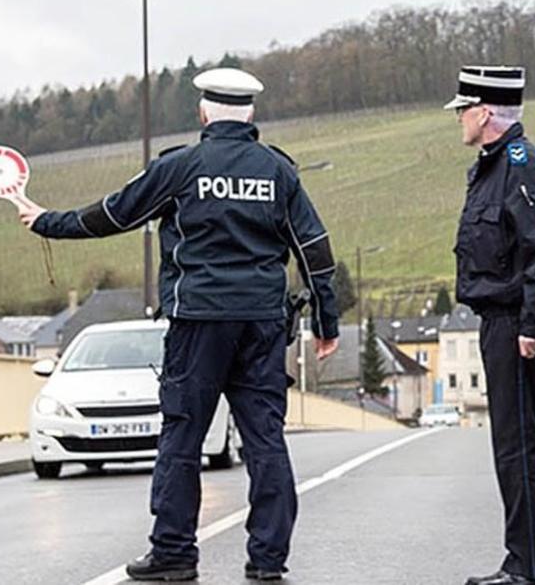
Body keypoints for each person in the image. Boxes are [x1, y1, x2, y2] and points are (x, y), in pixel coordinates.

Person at [19, 67, 340, 582]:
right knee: (265, 440)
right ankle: (268, 561)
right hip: (262, 322)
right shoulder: (278, 172)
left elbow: (113, 215)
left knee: (183, 436)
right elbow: (315, 251)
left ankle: (173, 554)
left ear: (203, 112)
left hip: (199, 322)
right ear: (251, 114)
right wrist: (327, 320)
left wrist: (46, 220)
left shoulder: (182, 167)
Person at [446, 66, 535, 585]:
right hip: (498, 322)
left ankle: (531, 569)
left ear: (486, 112)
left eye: (464, 110)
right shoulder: (492, 167)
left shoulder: (522, 168)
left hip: (517, 325)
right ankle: (522, 561)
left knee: (523, 450)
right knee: (512, 449)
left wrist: (534, 327)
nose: (459, 119)